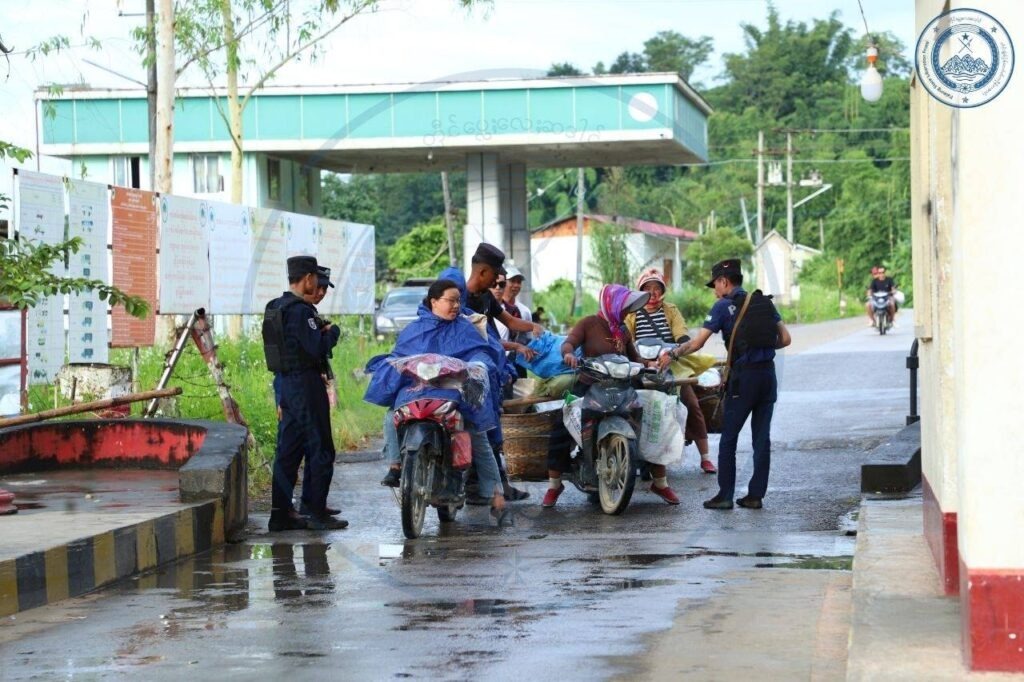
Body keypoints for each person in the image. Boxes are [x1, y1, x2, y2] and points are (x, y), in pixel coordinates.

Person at [365, 279, 508, 523]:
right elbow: (400, 355)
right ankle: (396, 464)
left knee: (477, 432)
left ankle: (496, 495)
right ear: (434, 302)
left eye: (458, 301)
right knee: (392, 414)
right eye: (450, 301)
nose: (456, 306)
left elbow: (480, 352)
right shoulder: (414, 329)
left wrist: (478, 365)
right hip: (417, 388)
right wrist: (396, 364)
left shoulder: (464, 328)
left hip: (453, 389)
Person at [660, 259, 791, 511]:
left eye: (715, 284)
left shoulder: (722, 306)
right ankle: (755, 495)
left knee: (729, 437)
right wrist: (759, 348)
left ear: (724, 281)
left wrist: (673, 354)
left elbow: (697, 344)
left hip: (744, 380)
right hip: (768, 377)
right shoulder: (764, 301)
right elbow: (785, 339)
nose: (715, 290)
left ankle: (725, 495)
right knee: (761, 439)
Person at [545, 284, 683, 508]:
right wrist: (569, 353)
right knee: (561, 430)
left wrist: (650, 364)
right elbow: (569, 342)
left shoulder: (622, 331)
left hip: (623, 386)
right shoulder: (589, 323)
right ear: (612, 304)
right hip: (591, 386)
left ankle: (660, 481)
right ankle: (554, 485)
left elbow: (635, 358)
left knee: (652, 427)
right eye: (624, 307)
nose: (627, 312)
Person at [450, 243, 542, 504]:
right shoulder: (459, 299)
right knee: (476, 426)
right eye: (495, 277)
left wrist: (536, 327)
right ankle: (479, 485)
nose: (497, 283)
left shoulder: (486, 299)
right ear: (483, 272)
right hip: (467, 370)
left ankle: (494, 485)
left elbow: (510, 323)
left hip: (488, 370)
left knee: (489, 425)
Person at [266, 256, 346, 531]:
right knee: (320, 447)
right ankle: (314, 510)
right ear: (309, 278)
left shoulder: (276, 306)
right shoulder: (301, 311)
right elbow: (315, 348)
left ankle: (281, 513)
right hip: (305, 383)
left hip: (285, 384)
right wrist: (332, 333)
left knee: (288, 449)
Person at [625, 268, 717, 475]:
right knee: (635, 406)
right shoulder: (631, 314)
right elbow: (626, 340)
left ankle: (705, 457)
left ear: (662, 290)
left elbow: (682, 335)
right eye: (647, 288)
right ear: (640, 291)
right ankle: (639, 455)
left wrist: (676, 351)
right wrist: (643, 361)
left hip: (672, 363)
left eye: (656, 288)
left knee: (692, 404)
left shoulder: (671, 310)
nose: (653, 293)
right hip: (641, 366)